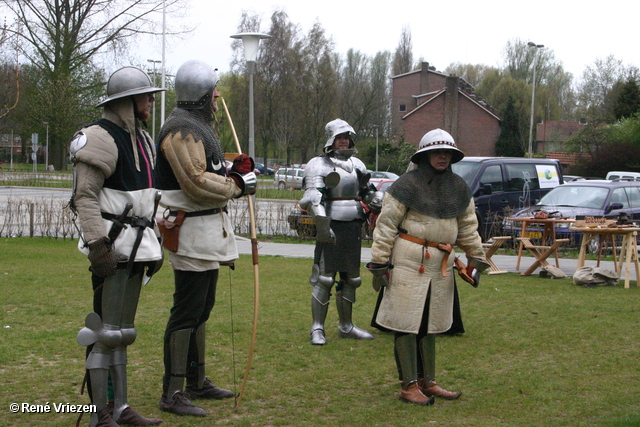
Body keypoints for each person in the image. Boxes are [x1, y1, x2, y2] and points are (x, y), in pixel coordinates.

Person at [153, 60, 257, 417]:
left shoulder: (197, 129)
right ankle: (173, 391)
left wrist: (232, 171)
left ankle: (196, 381)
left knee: (202, 306)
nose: (217, 97)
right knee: (187, 309)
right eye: (212, 90)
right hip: (190, 229)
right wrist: (237, 186)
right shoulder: (180, 130)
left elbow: (207, 171)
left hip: (206, 230)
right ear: (199, 94)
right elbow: (195, 182)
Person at [70, 66, 165, 426]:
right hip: (112, 244)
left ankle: (121, 408)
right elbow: (85, 196)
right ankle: (100, 412)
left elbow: (146, 194)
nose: (151, 102)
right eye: (146, 96)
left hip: (139, 244)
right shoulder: (99, 137)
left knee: (123, 333)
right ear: (128, 101)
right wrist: (97, 245)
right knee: (105, 332)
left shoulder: (142, 138)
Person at [366, 128, 489, 405]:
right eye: (437, 152)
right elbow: (386, 225)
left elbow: (468, 227)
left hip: (441, 263)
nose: (442, 157)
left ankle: (428, 382)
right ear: (425, 155)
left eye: (447, 153)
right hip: (409, 259)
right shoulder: (406, 185)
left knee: (431, 324)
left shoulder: (458, 188)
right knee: (406, 322)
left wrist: (476, 259)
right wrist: (379, 261)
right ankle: (408, 386)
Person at [300, 118, 384, 345]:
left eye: (347, 137)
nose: (344, 141)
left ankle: (346, 326)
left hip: (353, 222)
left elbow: (367, 191)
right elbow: (312, 196)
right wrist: (322, 224)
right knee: (325, 278)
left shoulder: (357, 164)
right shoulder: (318, 164)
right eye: (340, 137)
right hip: (330, 221)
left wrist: (376, 199)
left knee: (351, 278)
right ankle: (317, 328)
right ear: (331, 140)